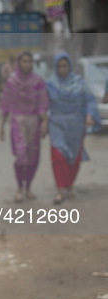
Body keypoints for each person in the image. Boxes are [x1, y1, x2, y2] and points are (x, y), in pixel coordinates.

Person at [46, 51, 101, 204]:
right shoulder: (50, 84)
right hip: (57, 124)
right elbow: (43, 104)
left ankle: (70, 185)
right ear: (55, 68)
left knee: (74, 158)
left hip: (76, 127)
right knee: (58, 156)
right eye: (59, 66)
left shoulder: (80, 83)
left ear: (69, 66)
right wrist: (43, 121)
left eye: (65, 66)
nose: (62, 69)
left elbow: (90, 100)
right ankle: (60, 189)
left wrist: (90, 115)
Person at [0, 52, 50, 203]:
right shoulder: (12, 82)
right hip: (18, 122)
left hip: (34, 122)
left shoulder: (38, 81)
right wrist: (2, 126)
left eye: (30, 61)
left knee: (33, 158)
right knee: (21, 156)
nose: (27, 64)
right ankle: (19, 188)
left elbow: (42, 103)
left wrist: (45, 122)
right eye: (24, 61)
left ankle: (29, 186)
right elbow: (6, 104)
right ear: (18, 63)